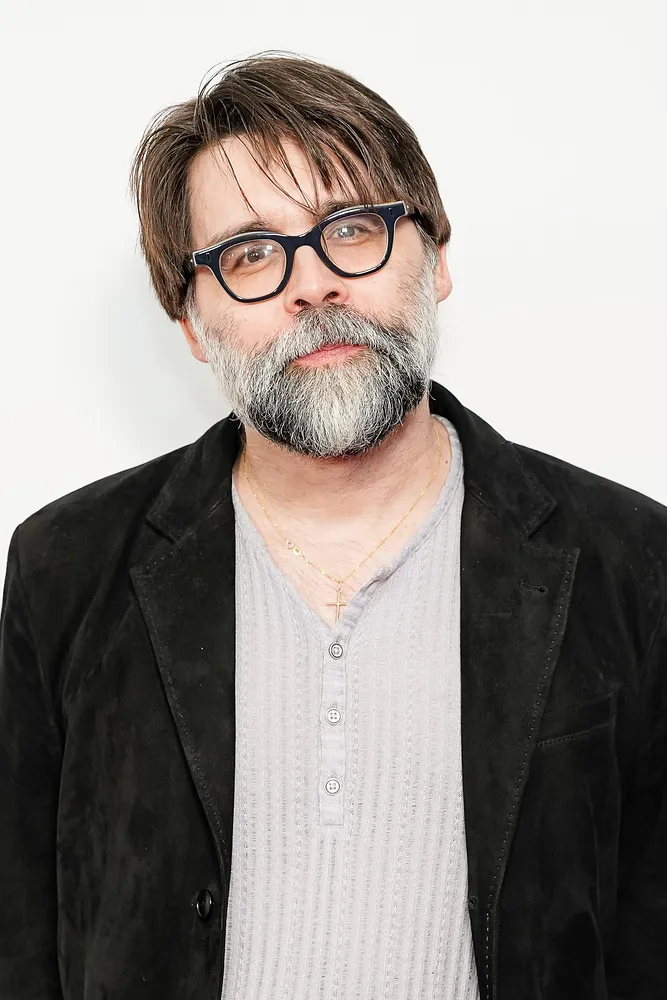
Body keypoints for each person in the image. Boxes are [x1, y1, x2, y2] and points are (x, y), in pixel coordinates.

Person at [0, 49, 665, 1000]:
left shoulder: (629, 563)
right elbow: (21, 943)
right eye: (249, 254)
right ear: (190, 324)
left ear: (435, 259)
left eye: (351, 229)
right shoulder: (65, 567)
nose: (312, 285)